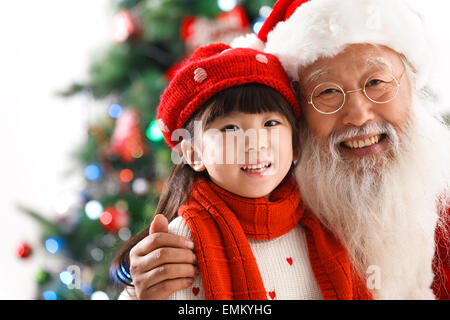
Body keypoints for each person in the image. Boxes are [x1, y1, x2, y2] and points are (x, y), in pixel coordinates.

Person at [115, 0, 450, 300]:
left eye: (376, 82)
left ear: (412, 84)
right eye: (327, 91)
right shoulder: (290, 202)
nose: (359, 114)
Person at [115, 43, 372, 300]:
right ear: (193, 153)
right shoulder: (181, 241)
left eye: (270, 123)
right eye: (230, 129)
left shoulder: (327, 222)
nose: (255, 142)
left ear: (295, 144)